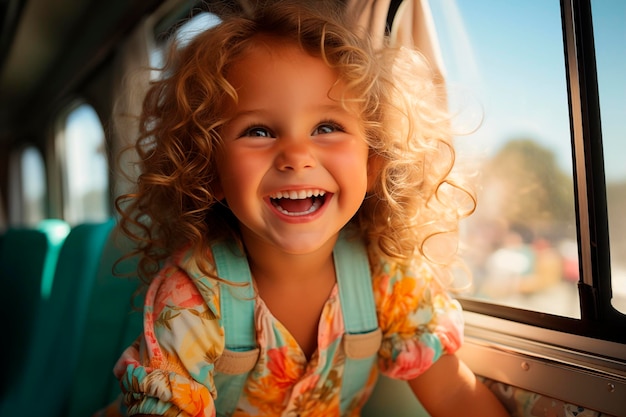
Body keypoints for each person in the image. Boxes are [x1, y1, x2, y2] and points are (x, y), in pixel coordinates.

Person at [109, 1, 509, 416]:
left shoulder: (386, 277)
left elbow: (453, 395)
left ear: (373, 162)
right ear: (208, 172)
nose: (296, 156)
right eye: (259, 131)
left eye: (327, 128)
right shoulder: (192, 294)